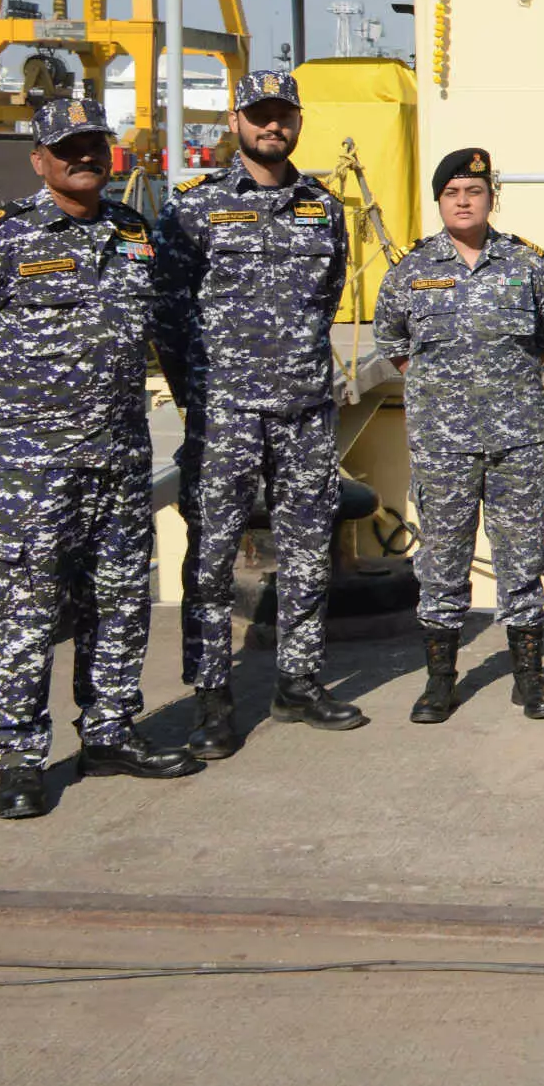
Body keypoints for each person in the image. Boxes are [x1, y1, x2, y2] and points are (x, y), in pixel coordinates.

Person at [0, 97, 204, 819]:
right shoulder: (2, 238)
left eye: (94, 145)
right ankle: (20, 758)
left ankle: (110, 731)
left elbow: (158, 326)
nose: (83, 157)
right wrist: (14, 422)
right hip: (31, 469)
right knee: (26, 610)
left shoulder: (133, 232)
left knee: (118, 601)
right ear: (40, 159)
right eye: (67, 148)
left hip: (116, 457)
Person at [157, 68, 360, 750]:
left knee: (308, 554)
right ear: (236, 122)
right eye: (259, 114)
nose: (271, 125)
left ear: (297, 122)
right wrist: (201, 396)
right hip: (225, 415)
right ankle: (212, 697)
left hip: (303, 409)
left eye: (283, 115)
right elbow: (168, 314)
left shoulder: (322, 207)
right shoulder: (192, 205)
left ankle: (299, 683)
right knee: (211, 556)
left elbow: (326, 296)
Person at [373, 148, 544, 724]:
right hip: (442, 445)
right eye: (453, 192)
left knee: (523, 560)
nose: (463, 201)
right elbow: (393, 344)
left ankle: (529, 680)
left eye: (474, 191)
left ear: (490, 199)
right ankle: (440, 682)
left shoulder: (527, 264)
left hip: (517, 442)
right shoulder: (410, 269)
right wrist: (445, 395)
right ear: (439, 200)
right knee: (442, 563)